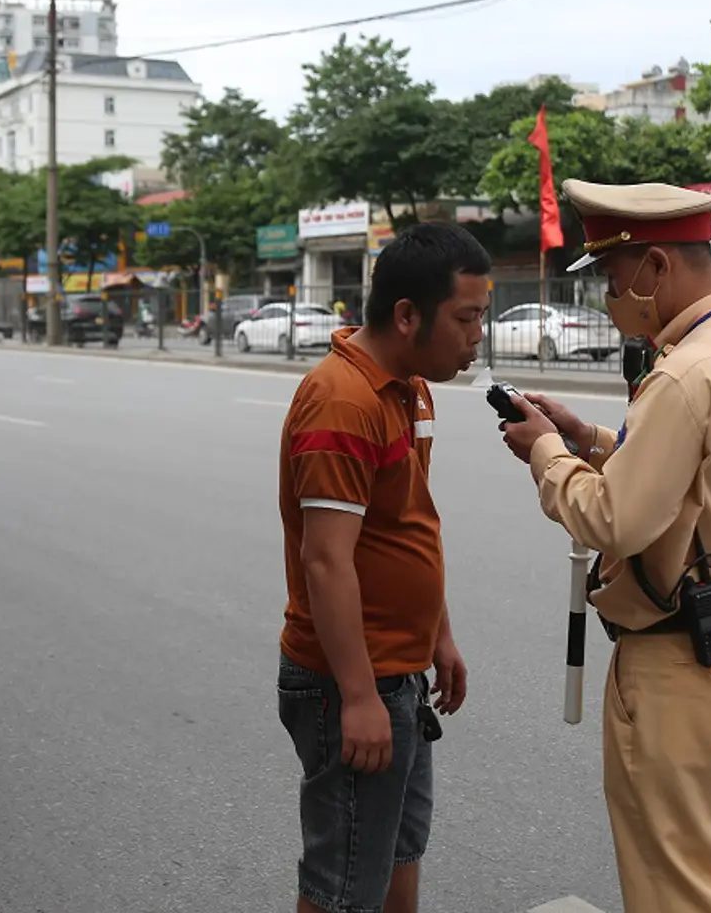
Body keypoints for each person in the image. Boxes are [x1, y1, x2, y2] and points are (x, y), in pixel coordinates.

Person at [498, 180, 711, 913]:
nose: (608, 296)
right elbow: (693, 484)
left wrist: (546, 454)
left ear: (657, 268)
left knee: (679, 884)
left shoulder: (685, 371)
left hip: (678, 662)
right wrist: (590, 439)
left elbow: (612, 520)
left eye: (611, 276)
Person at [276, 221, 491, 913]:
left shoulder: (409, 387)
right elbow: (327, 560)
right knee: (342, 885)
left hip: (398, 673)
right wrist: (360, 698)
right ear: (407, 316)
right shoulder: (343, 400)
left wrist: (439, 636)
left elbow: (409, 526)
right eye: (466, 318)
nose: (477, 335)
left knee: (397, 851)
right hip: (351, 681)